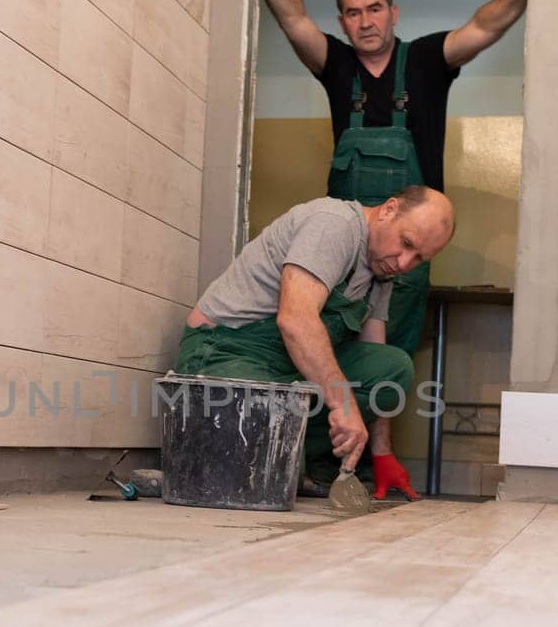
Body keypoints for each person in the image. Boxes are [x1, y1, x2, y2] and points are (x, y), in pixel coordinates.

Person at [256, 0, 531, 356]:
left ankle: (377, 429)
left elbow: (484, 27)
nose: (365, 22)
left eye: (375, 8)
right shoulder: (336, 65)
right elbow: (292, 18)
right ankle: (340, 425)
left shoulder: (426, 59)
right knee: (328, 355)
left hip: (407, 259)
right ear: (343, 23)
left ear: (393, 13)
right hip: (343, 254)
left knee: (390, 364)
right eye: (353, 12)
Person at [174, 186, 456, 501]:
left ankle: (293, 454)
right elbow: (296, 319)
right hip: (226, 351)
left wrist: (382, 453)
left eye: (420, 258)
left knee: (392, 368)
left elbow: (374, 353)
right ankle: (284, 459)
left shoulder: (383, 269)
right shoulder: (333, 225)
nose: (405, 263)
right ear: (389, 209)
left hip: (288, 367)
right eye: (406, 244)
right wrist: (342, 404)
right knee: (267, 478)